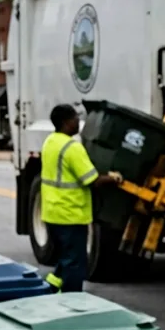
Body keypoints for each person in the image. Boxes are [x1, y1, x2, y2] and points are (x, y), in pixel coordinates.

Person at [41, 104, 120, 293]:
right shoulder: (72, 148)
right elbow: (91, 179)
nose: (78, 122)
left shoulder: (50, 142)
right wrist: (114, 178)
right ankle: (72, 301)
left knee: (65, 257)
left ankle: (51, 288)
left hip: (52, 212)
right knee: (75, 263)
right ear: (65, 122)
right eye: (75, 118)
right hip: (71, 213)